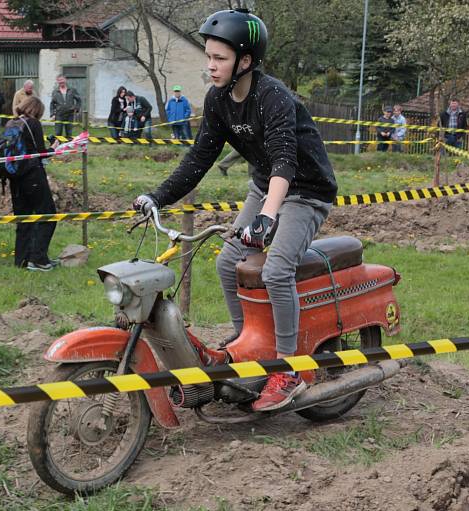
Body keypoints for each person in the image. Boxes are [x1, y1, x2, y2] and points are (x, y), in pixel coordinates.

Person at [134, 9, 337, 412]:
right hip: (266, 187)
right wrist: (157, 197)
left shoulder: (272, 96)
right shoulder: (219, 100)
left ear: (245, 61)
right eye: (208, 56)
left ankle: (287, 369)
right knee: (228, 263)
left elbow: (284, 160)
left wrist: (267, 217)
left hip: (304, 191)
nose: (211, 65)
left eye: (220, 58)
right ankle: (250, 347)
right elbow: (199, 159)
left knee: (277, 269)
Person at [10, 96, 60, 272]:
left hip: (15, 177)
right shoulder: (33, 123)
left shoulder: (12, 123)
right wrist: (53, 148)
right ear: (37, 110)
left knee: (23, 218)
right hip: (32, 175)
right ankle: (38, 259)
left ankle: (22, 259)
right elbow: (40, 152)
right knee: (48, 215)